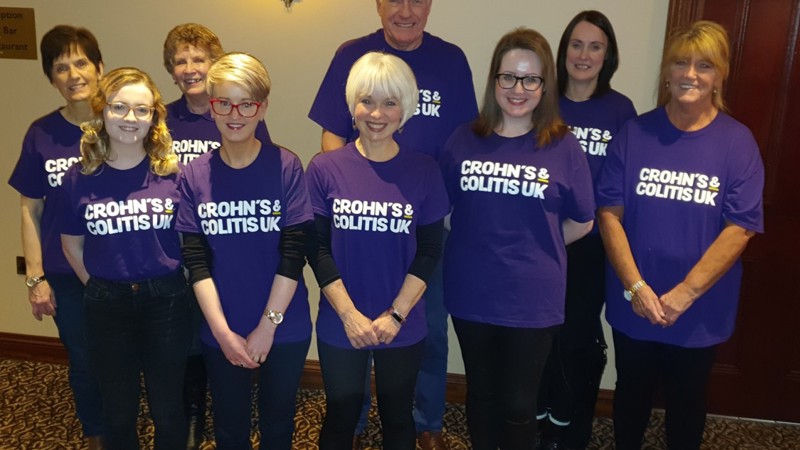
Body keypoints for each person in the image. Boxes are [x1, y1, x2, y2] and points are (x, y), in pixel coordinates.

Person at [308, 2, 478, 446]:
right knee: (350, 355)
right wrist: (345, 181)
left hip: (422, 219)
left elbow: (465, 140)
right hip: (356, 218)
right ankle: (356, 419)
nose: (405, 9)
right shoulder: (351, 53)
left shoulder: (451, 59)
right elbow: (331, 131)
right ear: (379, 5)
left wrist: (443, 209)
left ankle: (427, 424)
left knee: (427, 330)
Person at [596, 20, 764, 450]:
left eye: (704, 65)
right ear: (666, 73)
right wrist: (636, 288)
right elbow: (609, 214)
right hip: (635, 299)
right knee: (631, 394)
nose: (690, 74)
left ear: (718, 76)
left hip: (699, 308)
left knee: (687, 403)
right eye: (681, 63)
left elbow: (740, 227)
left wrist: (685, 293)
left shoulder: (737, 142)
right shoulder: (635, 133)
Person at [439, 28, 595, 450]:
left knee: (521, 403)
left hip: (533, 298)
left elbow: (583, 222)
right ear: (495, 81)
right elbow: (447, 213)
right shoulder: (463, 139)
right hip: (471, 291)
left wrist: (534, 246)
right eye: (508, 77)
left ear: (545, 86)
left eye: (531, 79)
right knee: (482, 393)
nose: (518, 89)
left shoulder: (563, 145)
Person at [175, 52, 313, 450]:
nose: (235, 113)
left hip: (284, 325)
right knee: (230, 429)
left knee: (277, 425)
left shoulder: (286, 166)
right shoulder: (195, 175)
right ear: (212, 106)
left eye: (247, 103)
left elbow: (293, 253)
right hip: (222, 327)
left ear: (262, 107)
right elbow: (196, 262)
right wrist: (222, 333)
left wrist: (267, 327)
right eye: (224, 102)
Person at [59, 67, 191, 450]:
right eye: (119, 108)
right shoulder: (79, 177)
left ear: (154, 118)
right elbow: (72, 245)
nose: (130, 119)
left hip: (165, 300)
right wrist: (100, 286)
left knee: (168, 408)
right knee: (118, 410)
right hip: (106, 303)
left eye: (141, 110)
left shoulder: (172, 175)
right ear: (101, 112)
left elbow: (188, 242)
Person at [161, 23, 272, 449]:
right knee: (191, 339)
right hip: (176, 248)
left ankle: (239, 414)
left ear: (215, 65)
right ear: (171, 70)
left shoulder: (235, 112)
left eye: (198, 59)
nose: (190, 68)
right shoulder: (160, 120)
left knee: (229, 333)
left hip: (225, 244)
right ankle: (194, 419)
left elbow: (261, 176)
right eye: (180, 60)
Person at [536, 10, 636, 450]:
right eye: (576, 44)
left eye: (595, 46)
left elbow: (624, 183)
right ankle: (536, 422)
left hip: (591, 247)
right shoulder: (543, 100)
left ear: (607, 55)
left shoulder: (620, 110)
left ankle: (568, 427)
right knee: (538, 336)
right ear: (563, 50)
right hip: (539, 243)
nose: (584, 54)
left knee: (577, 335)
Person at [8, 25, 105, 450]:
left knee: (133, 356)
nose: (73, 74)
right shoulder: (41, 134)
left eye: (81, 62)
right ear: (51, 78)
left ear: (100, 67)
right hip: (65, 272)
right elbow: (30, 208)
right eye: (60, 67)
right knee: (84, 357)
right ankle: (97, 432)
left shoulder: (125, 121)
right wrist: (35, 278)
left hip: (124, 267)